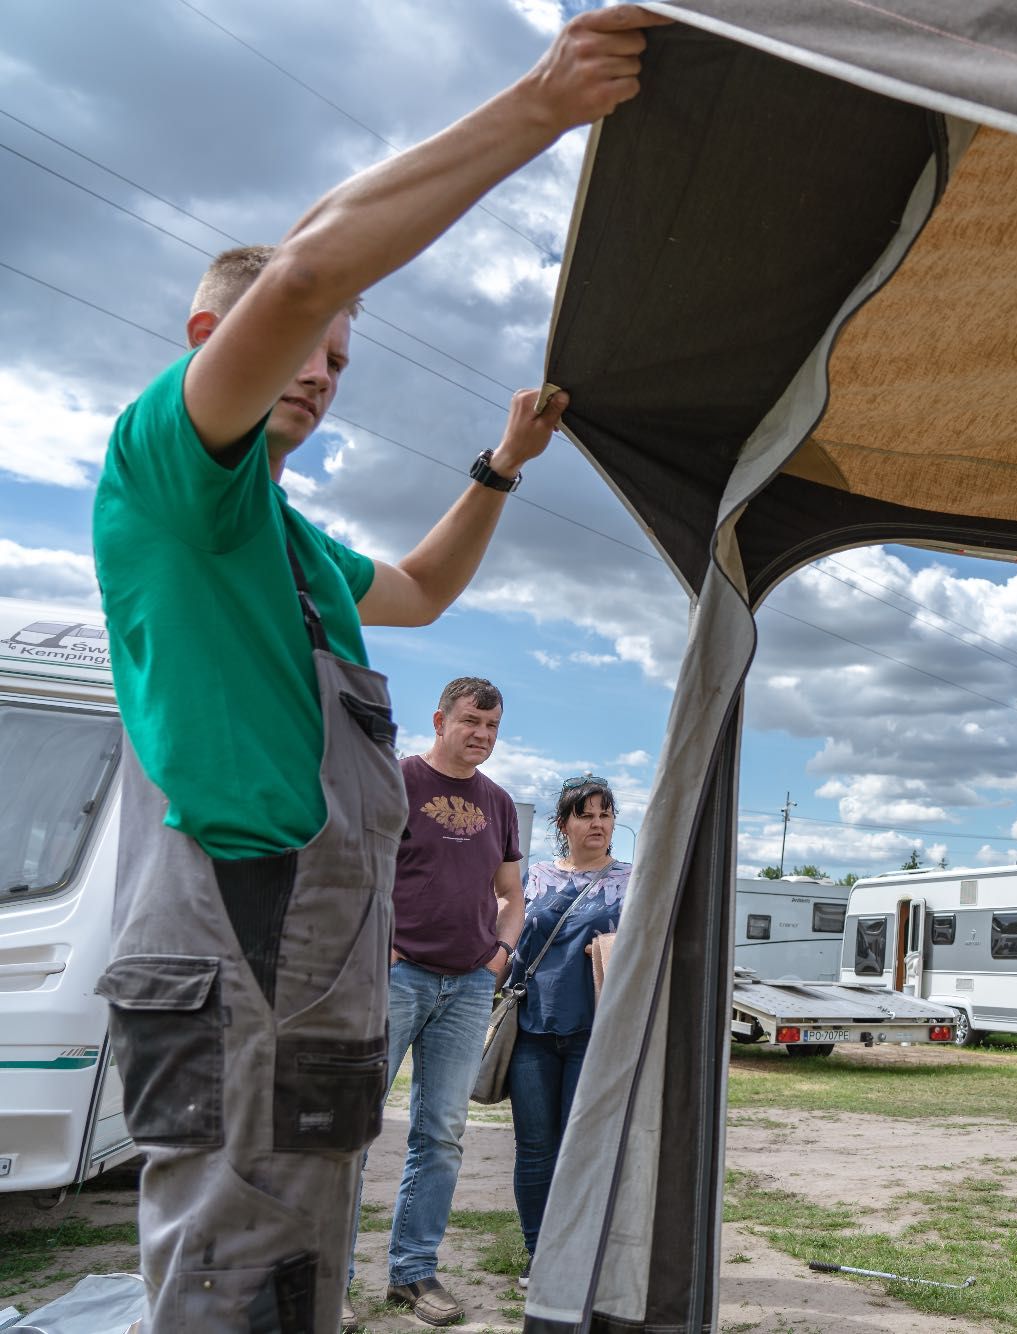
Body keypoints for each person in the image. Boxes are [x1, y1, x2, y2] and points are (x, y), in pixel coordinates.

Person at [86, 9, 670, 1330]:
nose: (321, 371)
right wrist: (539, 107)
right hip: (235, 921)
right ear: (204, 335)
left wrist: (502, 464)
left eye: (342, 362)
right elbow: (299, 274)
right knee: (232, 1239)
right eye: (303, 347)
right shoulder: (168, 470)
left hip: (333, 945)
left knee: (311, 1222)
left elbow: (421, 589)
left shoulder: (287, 540)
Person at [350, 677, 524, 1326]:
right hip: (395, 979)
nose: (481, 734)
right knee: (353, 1131)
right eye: (471, 721)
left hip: (468, 988)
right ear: (440, 719)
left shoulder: (498, 802)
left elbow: (511, 893)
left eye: (493, 725)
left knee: (442, 1135)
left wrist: (498, 956)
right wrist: (381, 945)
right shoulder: (395, 780)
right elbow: (352, 870)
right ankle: (329, 1279)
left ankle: (413, 1274)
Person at [507, 775, 629, 1278]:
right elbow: (512, 936)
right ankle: (541, 1256)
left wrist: (610, 948)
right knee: (535, 1149)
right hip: (532, 1029)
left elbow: (653, 949)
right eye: (586, 814)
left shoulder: (631, 880)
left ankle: (580, 1254)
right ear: (564, 824)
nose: (597, 823)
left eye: (605, 814)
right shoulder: (534, 877)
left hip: (594, 1035)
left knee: (584, 1150)